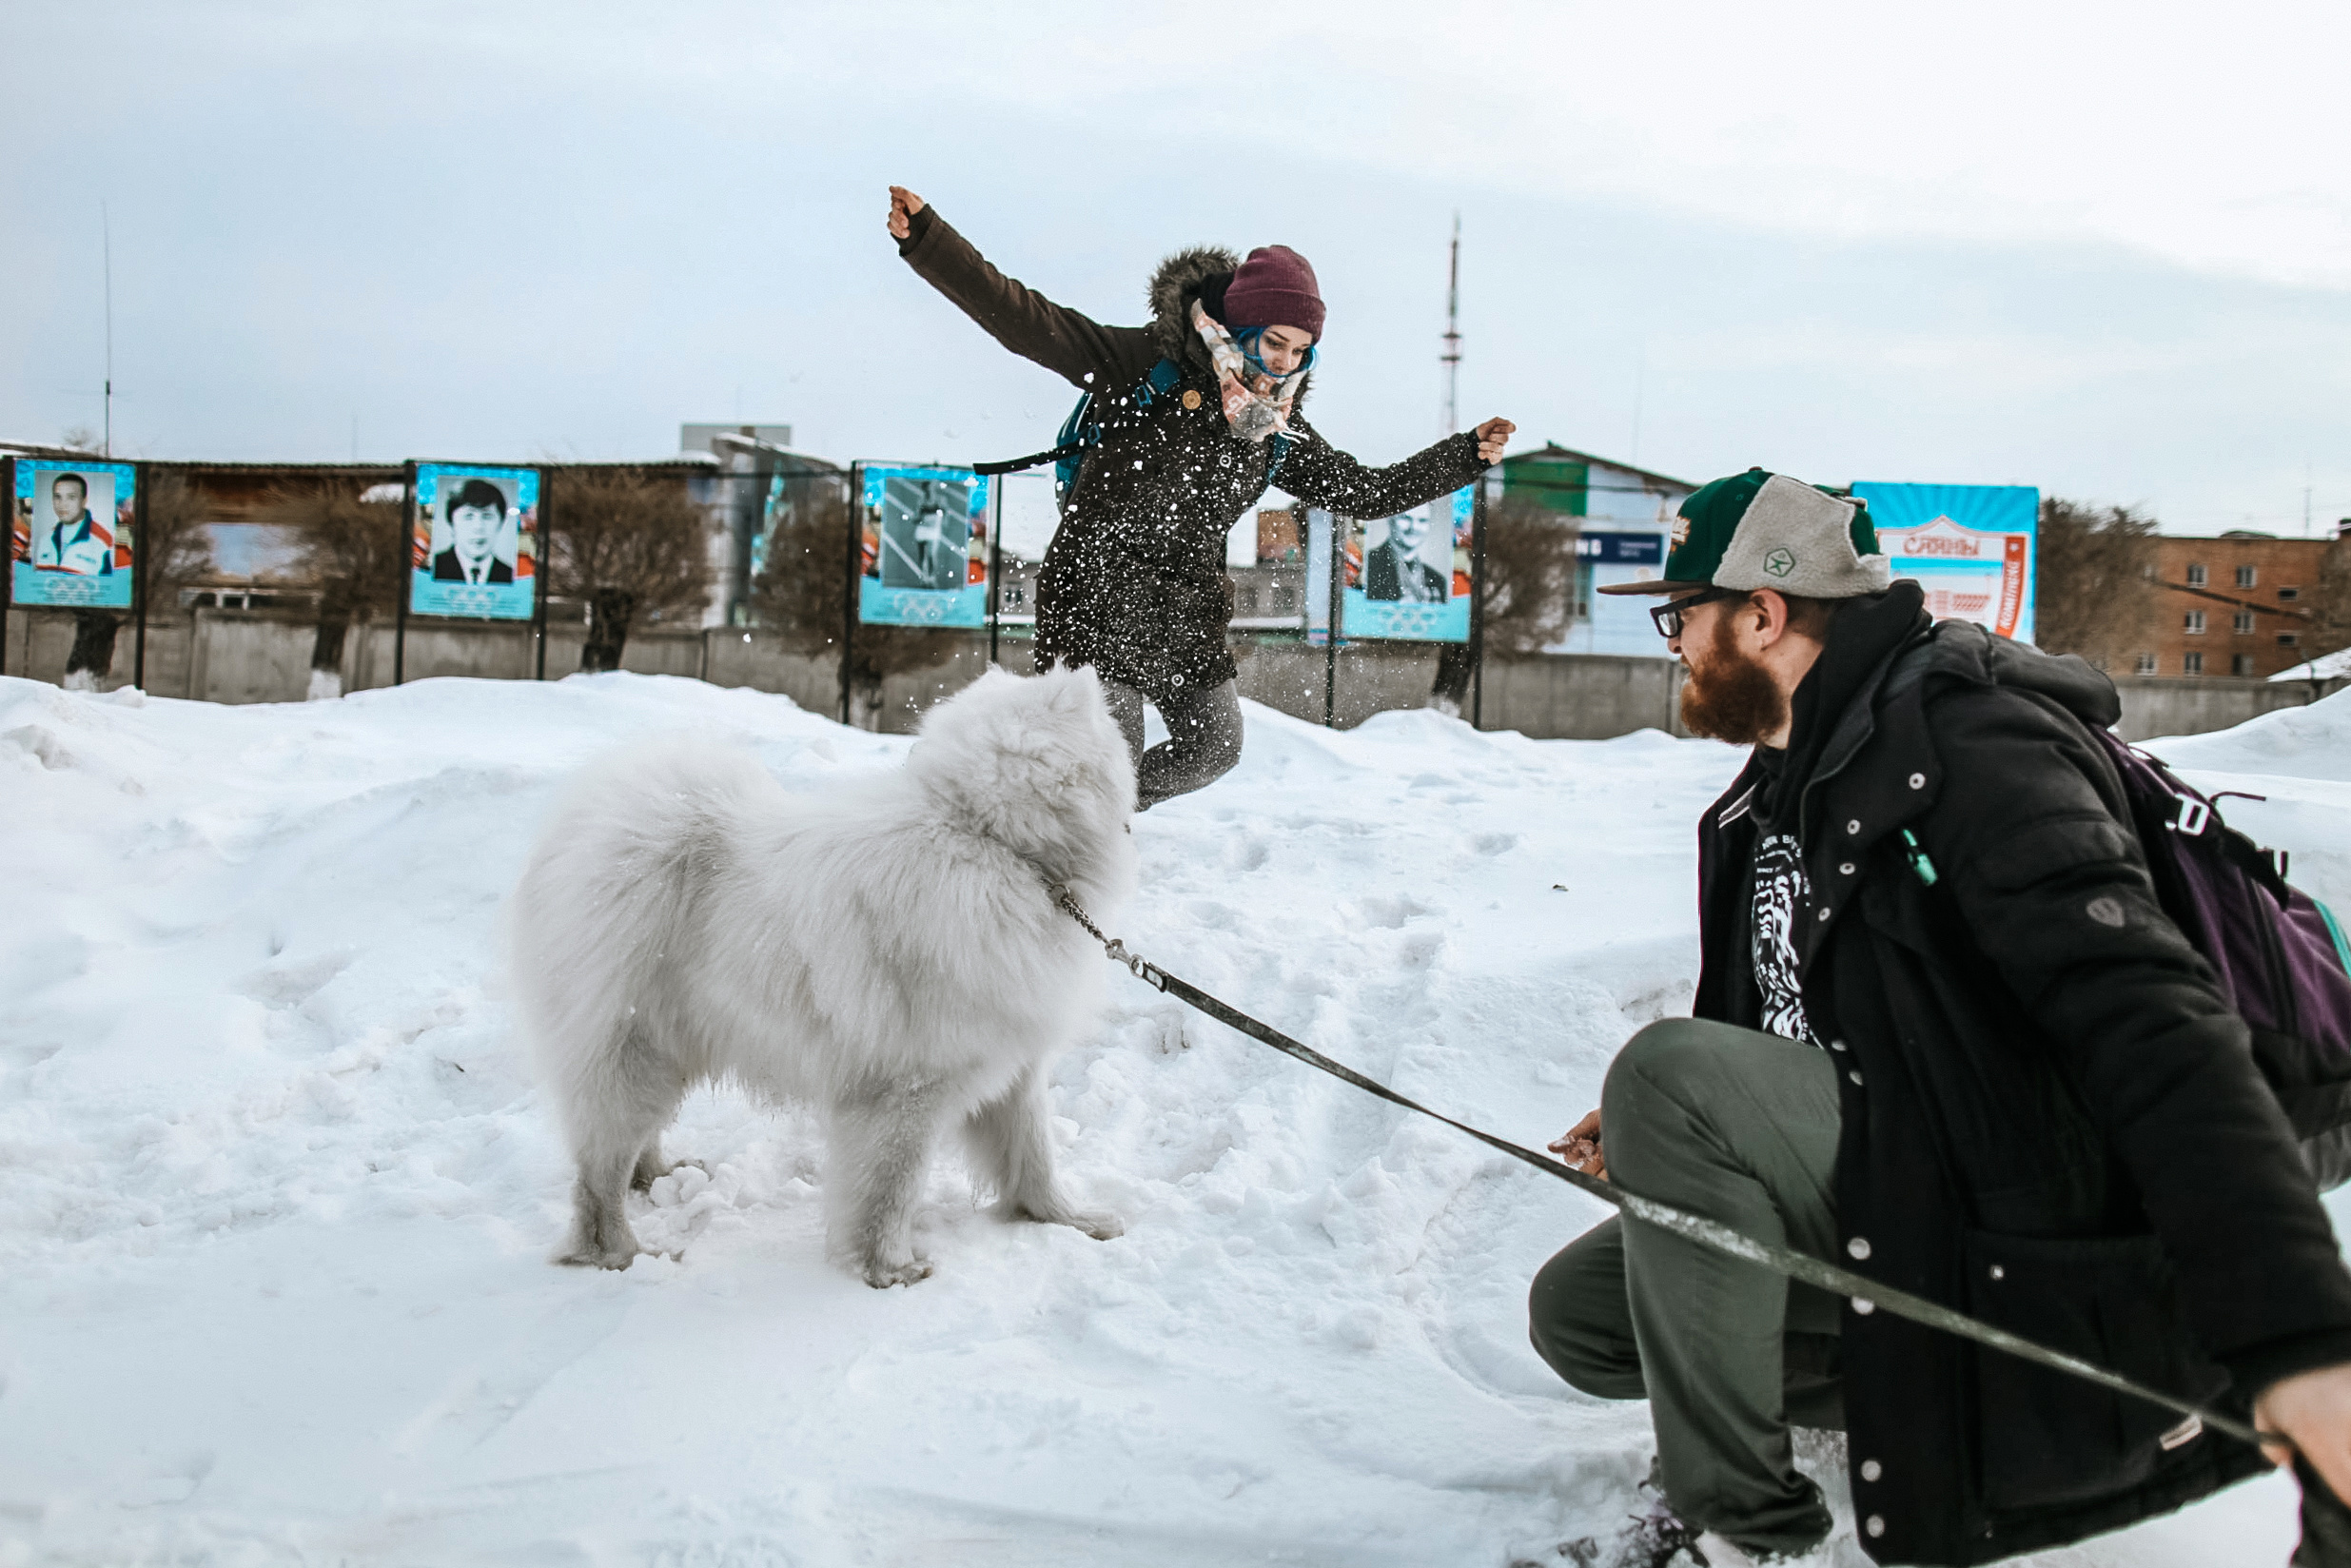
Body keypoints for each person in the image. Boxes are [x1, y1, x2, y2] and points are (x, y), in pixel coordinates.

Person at [1525, 467, 2351, 1566]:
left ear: (1761, 614)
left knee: (1668, 1079)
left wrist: (2296, 1335)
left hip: (2025, 1197)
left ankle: (1741, 1529)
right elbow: (1766, 1025)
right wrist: (1676, 1127)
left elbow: (2151, 1019)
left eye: (1680, 616)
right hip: (1900, 1154)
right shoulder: (1762, 797)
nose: (1669, 644)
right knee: (1578, 1310)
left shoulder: (1971, 745)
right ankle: (1904, 1393)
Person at [887, 185, 1513, 811]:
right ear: (1241, 326)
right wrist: (928, 242)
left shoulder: (1272, 426)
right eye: (1274, 342)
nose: (1284, 362)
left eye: (1301, 350)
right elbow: (1026, 320)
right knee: (1112, 758)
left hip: (1184, 611)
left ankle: (1060, 810)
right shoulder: (1142, 366)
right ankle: (1078, 851)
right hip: (1094, 595)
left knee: (1213, 748)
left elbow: (1364, 491)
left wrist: (1462, 456)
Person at [432, 479, 514, 584]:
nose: (478, 527)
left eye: (487, 516)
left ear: (501, 523)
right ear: (452, 523)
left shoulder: (511, 575)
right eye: (468, 516)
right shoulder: (432, 567)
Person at [34, 473, 113, 576]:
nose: (63, 504)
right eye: (58, 497)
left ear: (84, 501)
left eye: (71, 497)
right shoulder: (45, 539)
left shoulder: (105, 543)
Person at [1363, 507, 1448, 602]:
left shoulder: (1438, 581)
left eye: (1422, 520)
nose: (1414, 527)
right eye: (1405, 518)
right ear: (1389, 519)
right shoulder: (1366, 566)